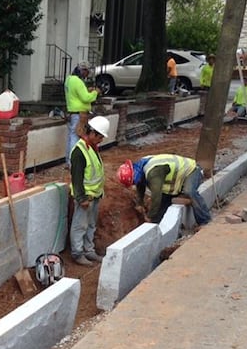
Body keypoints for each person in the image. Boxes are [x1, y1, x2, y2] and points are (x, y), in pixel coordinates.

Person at [116, 154, 212, 225]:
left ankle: (205, 221)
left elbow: (156, 197)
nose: (134, 184)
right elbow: (140, 185)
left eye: (133, 182)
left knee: (189, 191)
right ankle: (157, 225)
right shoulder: (141, 167)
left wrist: (149, 216)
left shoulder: (153, 173)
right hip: (177, 179)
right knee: (162, 206)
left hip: (191, 170)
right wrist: (140, 203)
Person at [69, 115, 109, 266]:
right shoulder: (79, 152)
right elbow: (76, 178)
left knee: (91, 224)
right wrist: (81, 198)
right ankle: (77, 253)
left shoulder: (92, 148)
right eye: (100, 137)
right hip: (85, 197)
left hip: (95, 195)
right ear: (92, 133)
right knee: (80, 225)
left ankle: (89, 250)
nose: (101, 140)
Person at [64, 62, 101, 166]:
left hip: (72, 112)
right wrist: (95, 93)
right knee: (76, 137)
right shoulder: (78, 81)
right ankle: (74, 162)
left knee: (71, 136)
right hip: (79, 114)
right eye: (87, 72)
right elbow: (86, 98)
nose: (87, 75)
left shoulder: (69, 79)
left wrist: (86, 90)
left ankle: (68, 160)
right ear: (83, 70)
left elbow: (76, 94)